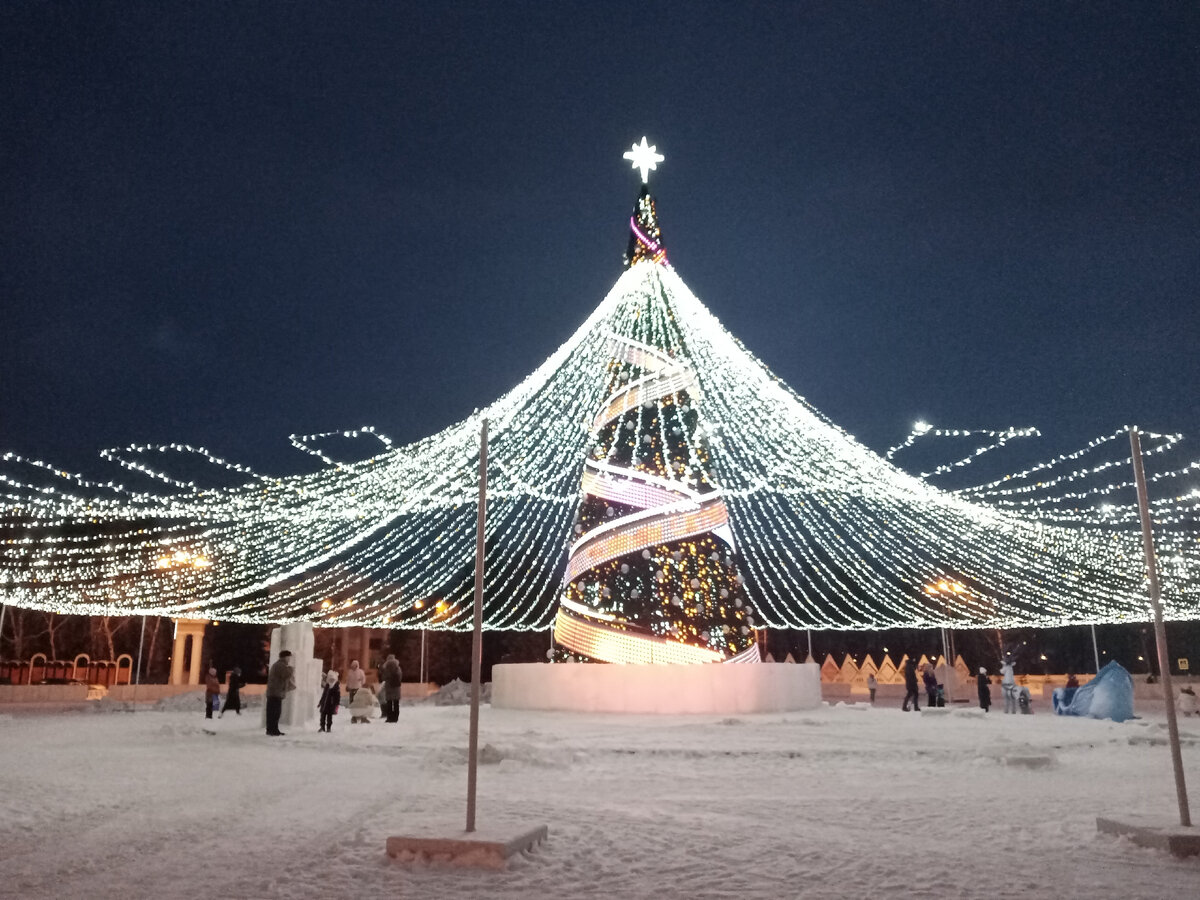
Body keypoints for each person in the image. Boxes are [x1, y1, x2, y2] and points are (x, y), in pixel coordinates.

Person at [265, 650, 296, 736]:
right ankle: (272, 730)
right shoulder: (280, 665)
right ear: (285, 657)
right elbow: (285, 674)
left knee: (273, 712)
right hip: (275, 693)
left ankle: (272, 730)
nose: (290, 659)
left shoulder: (279, 665)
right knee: (275, 713)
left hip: (274, 693)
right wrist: (291, 668)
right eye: (289, 657)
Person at [380, 653, 402, 723]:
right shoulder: (397, 667)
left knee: (389, 703)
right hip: (396, 687)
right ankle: (395, 718)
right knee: (396, 703)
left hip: (389, 687)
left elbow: (384, 677)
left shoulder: (386, 667)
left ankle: (389, 718)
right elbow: (400, 676)